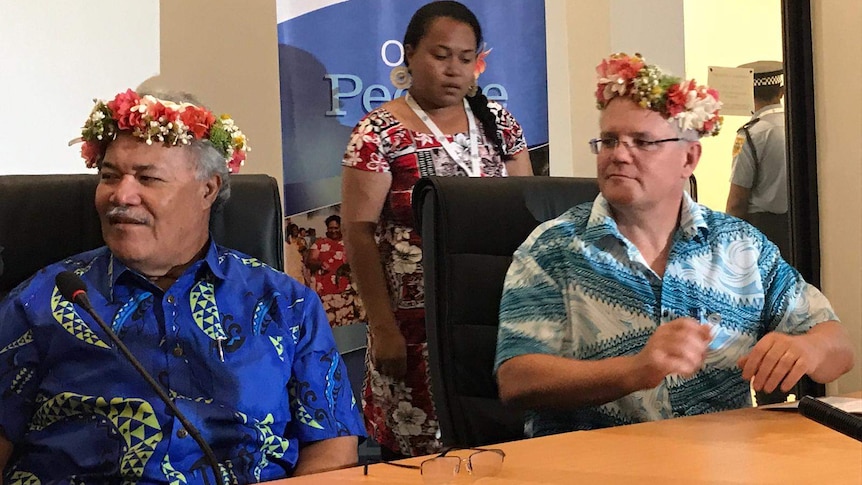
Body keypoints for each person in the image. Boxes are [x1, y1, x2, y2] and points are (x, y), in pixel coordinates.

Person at [0, 89, 364, 482]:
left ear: (207, 190)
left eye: (147, 178)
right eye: (109, 177)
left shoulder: (285, 304)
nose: (120, 195)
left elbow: (332, 444)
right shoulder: (45, 299)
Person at [494, 53, 854, 436]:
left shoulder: (740, 246)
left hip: (721, 462)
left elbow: (837, 345)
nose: (618, 153)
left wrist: (808, 350)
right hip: (595, 466)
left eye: (642, 142)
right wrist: (634, 370)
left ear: (689, 157)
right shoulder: (555, 247)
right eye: (609, 140)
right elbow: (517, 378)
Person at [341, 0, 532, 458]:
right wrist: (383, 327)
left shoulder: (500, 124)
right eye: (440, 55)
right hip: (413, 325)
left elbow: (529, 217)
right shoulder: (378, 132)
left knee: (501, 450)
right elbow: (358, 233)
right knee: (421, 454)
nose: (454, 70)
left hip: (497, 314)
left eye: (466, 59)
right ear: (408, 55)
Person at [726, 61, 790, 257]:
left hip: (762, 231)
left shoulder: (751, 134)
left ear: (747, 93)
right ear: (782, 91)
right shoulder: (799, 125)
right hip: (801, 227)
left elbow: (737, 201)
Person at [306, 215, 363, 327]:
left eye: (336, 228)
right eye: (331, 228)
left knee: (347, 324)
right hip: (325, 293)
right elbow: (310, 260)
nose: (333, 231)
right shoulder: (320, 243)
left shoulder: (349, 244)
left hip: (345, 292)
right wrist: (320, 264)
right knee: (327, 324)